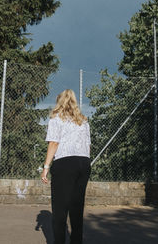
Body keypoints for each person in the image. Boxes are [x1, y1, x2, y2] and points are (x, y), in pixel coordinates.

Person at [41, 89, 91, 244]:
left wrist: (46, 167)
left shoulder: (56, 119)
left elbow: (54, 143)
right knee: (77, 207)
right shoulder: (83, 121)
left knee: (60, 210)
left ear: (59, 102)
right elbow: (88, 145)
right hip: (84, 162)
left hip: (65, 163)